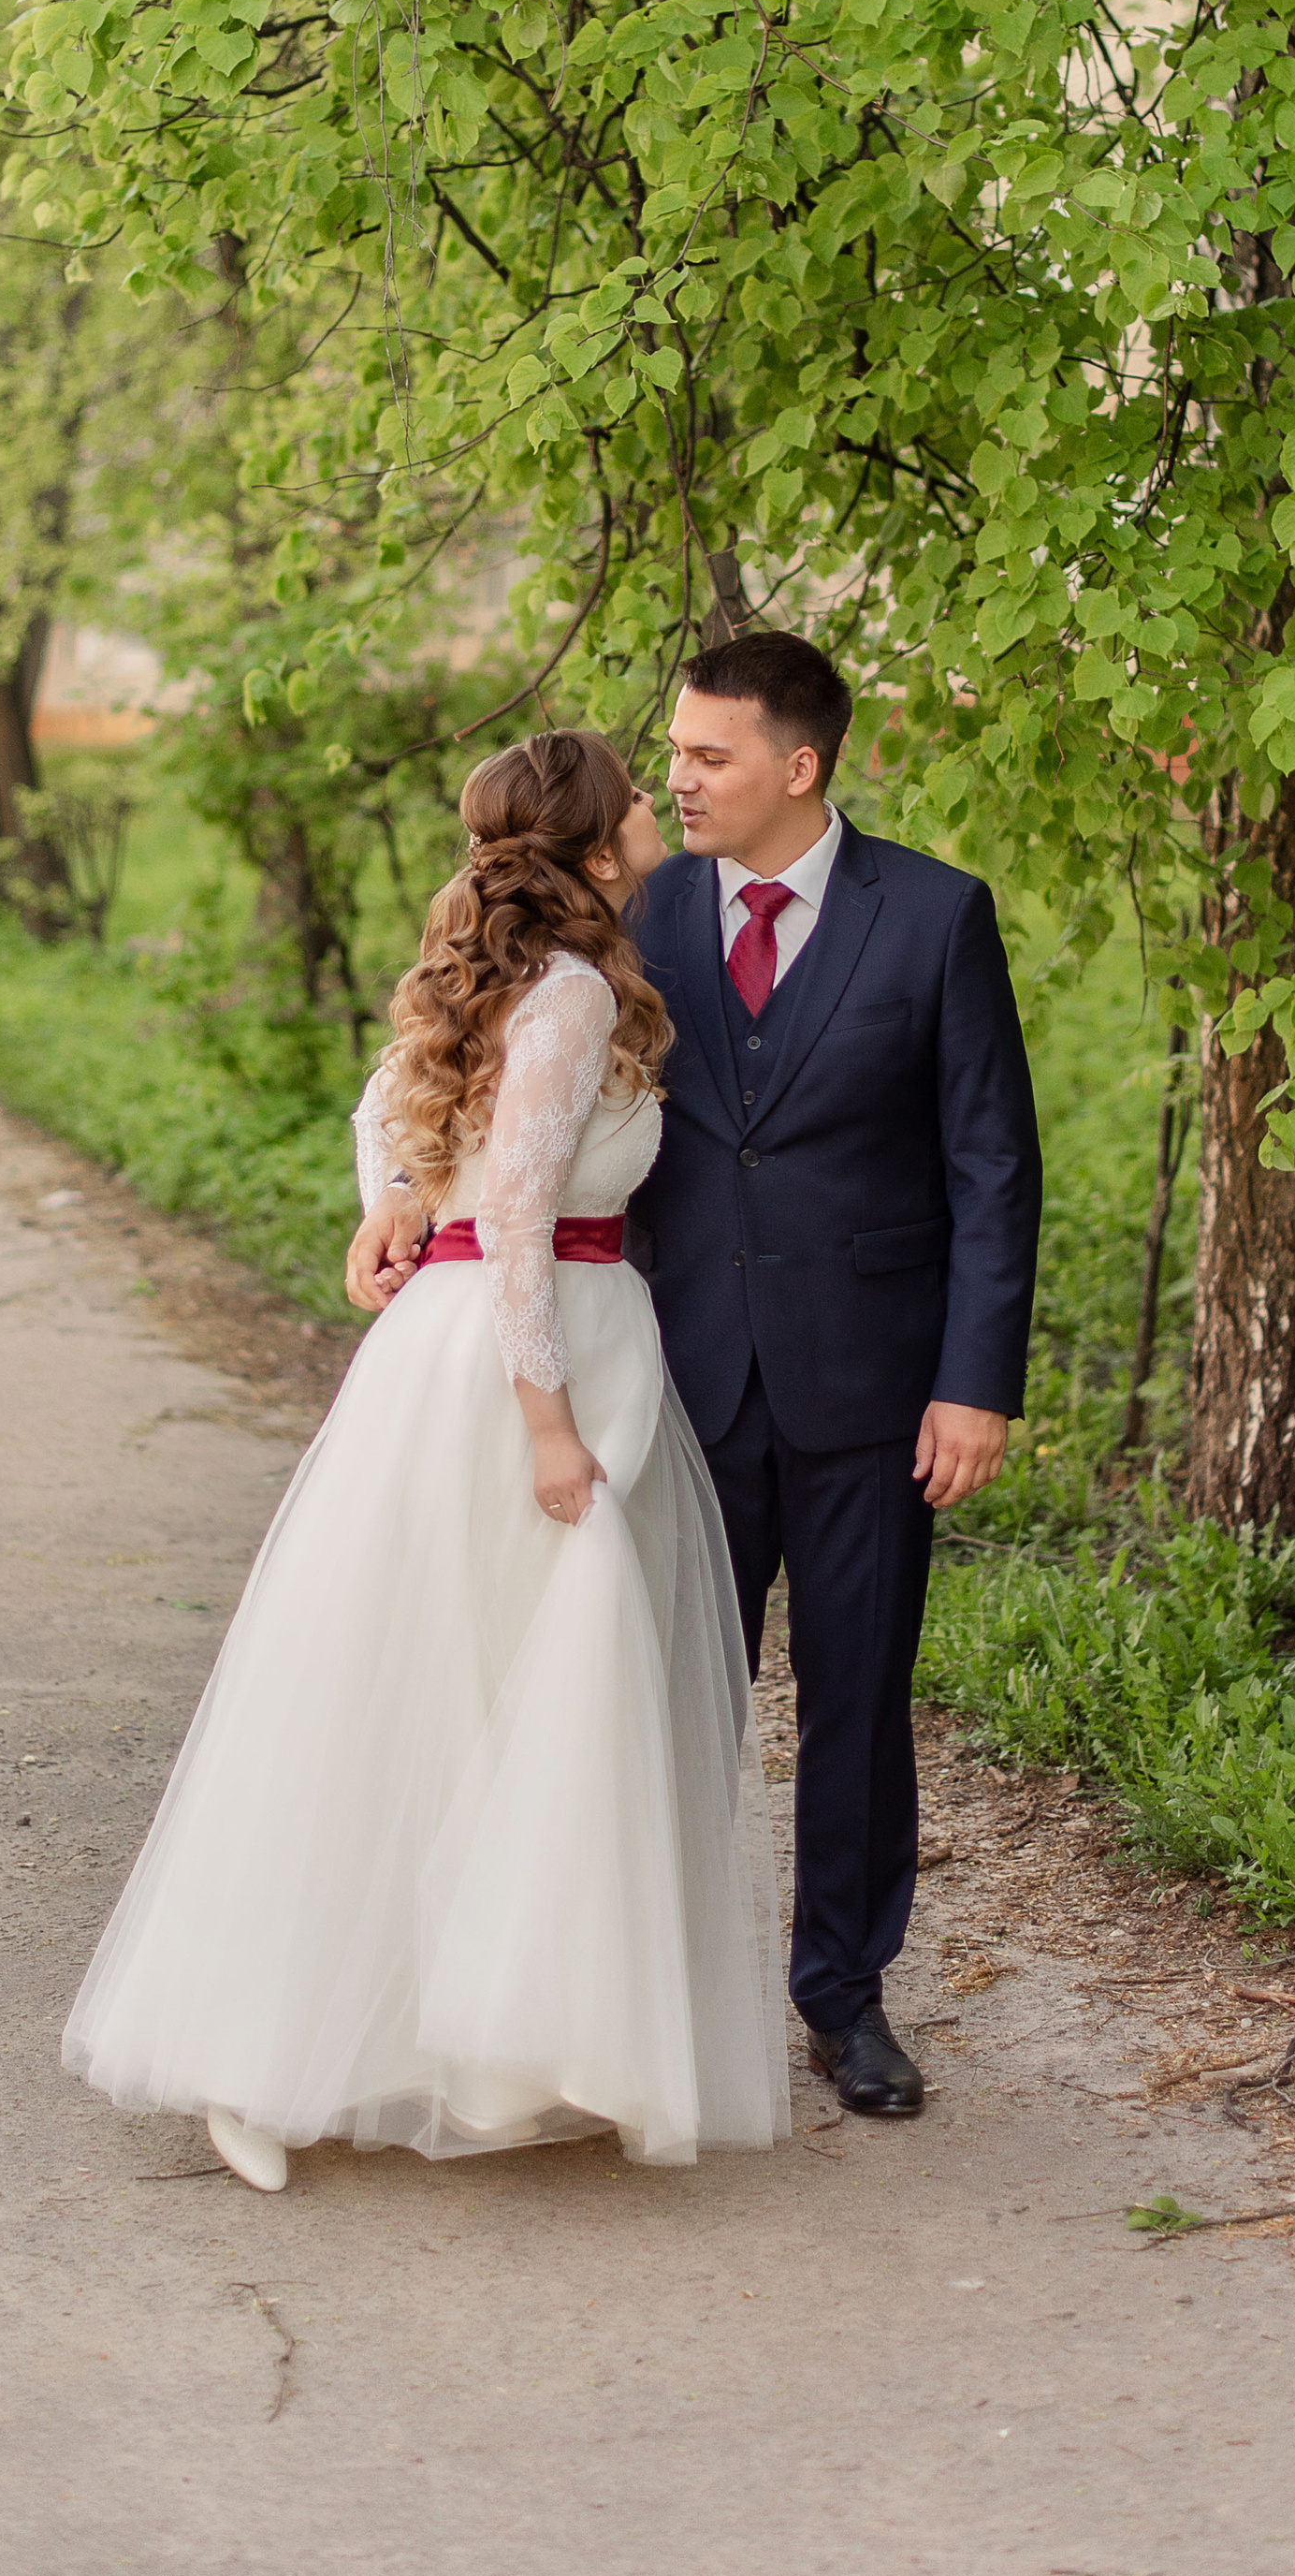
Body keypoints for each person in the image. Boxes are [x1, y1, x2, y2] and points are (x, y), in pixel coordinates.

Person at [63, 731, 788, 2185]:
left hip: (465, 1341)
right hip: (529, 1350)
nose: (656, 803)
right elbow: (517, 1214)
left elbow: (387, 1110)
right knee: (462, 1685)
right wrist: (546, 1424)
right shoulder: (572, 990)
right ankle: (266, 2056)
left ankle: (483, 2034)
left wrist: (389, 1196)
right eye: (635, 795)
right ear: (594, 848)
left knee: (465, 1688)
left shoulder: (493, 973)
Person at [355, 637, 1041, 2120]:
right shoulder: (628, 906)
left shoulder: (933, 918)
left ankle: (843, 2000)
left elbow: (993, 1165)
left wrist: (974, 1381)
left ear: (799, 766)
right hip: (660, 1380)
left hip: (873, 1388)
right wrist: (405, 1182)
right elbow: (460, 1057)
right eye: (672, 754)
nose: (677, 775)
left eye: (710, 755)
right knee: (652, 1698)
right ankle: (643, 1998)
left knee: (860, 1700)